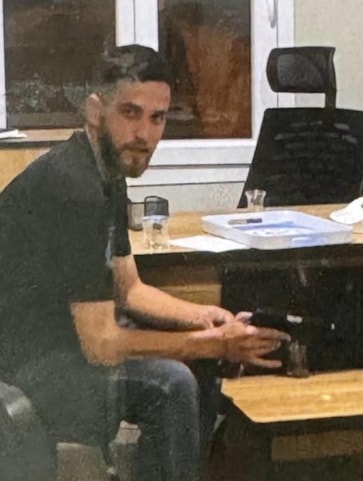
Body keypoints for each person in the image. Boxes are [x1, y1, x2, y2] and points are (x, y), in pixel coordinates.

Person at [0, 45, 288, 481]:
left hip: (60, 346)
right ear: (95, 110)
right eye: (130, 113)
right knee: (171, 384)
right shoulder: (74, 188)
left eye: (157, 118)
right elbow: (101, 344)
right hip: (24, 366)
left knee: (195, 359)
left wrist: (206, 319)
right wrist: (214, 344)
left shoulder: (106, 174)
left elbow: (130, 289)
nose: (144, 134)